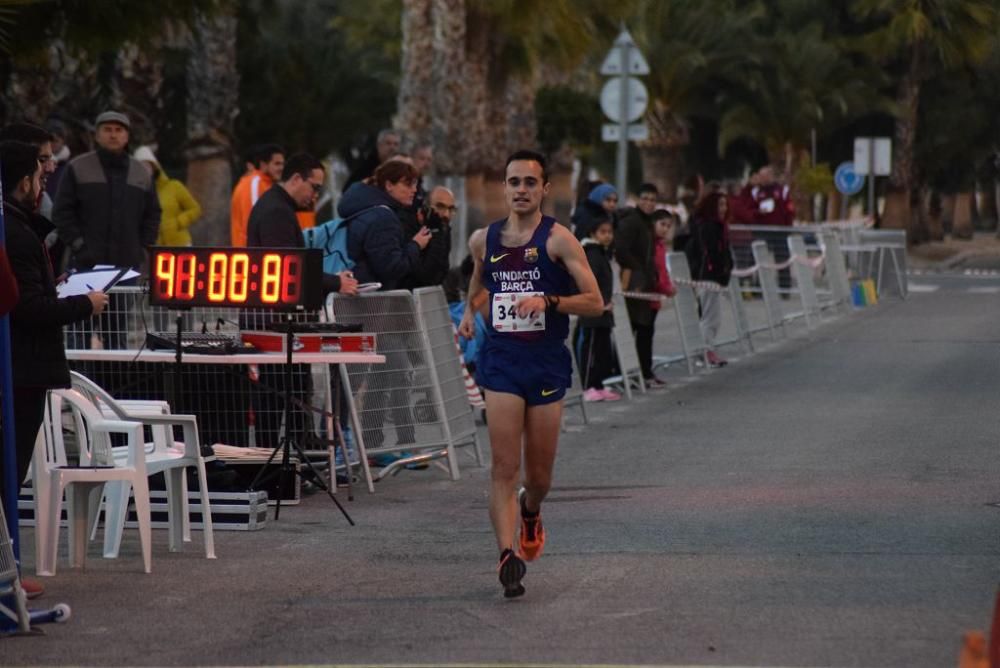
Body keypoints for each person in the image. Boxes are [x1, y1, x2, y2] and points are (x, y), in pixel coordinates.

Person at [459, 150, 603, 598]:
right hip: (501, 362)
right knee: (504, 465)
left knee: (538, 476)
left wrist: (549, 301)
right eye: (513, 181)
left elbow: (595, 302)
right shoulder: (483, 240)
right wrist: (469, 311)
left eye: (529, 182)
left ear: (544, 190)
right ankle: (507, 556)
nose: (520, 189)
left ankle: (531, 508)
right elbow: (482, 280)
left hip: (544, 362)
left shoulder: (559, 240)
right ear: (503, 187)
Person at [0, 139, 108, 533]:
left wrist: (52, 287)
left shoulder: (19, 228)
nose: (47, 176)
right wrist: (84, 305)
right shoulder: (17, 234)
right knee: (9, 470)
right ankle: (6, 563)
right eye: (40, 166)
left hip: (23, 368)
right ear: (23, 180)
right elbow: (25, 307)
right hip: (22, 370)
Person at [337, 159, 431, 456]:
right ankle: (402, 445)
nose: (413, 190)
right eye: (407, 183)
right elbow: (391, 266)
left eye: (415, 184)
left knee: (371, 376)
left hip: (362, 308)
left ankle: (372, 444)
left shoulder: (361, 208)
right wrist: (415, 246)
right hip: (374, 309)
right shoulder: (382, 217)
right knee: (390, 373)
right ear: (388, 185)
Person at [52, 111, 160, 271]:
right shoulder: (77, 167)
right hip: (86, 263)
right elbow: (62, 212)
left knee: (125, 297)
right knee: (84, 298)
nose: (113, 135)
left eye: (118, 130)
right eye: (107, 129)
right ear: (97, 135)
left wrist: (143, 247)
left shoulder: (141, 172)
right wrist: (78, 245)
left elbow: (152, 213)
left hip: (128, 265)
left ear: (127, 136)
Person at [616, 183, 666, 387]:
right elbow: (621, 249)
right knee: (636, 329)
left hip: (646, 284)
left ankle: (643, 372)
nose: (648, 202)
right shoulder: (632, 221)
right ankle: (629, 374)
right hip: (635, 284)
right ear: (638, 199)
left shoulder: (647, 222)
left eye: (652, 199)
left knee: (645, 329)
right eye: (645, 198)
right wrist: (637, 268)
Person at [685, 191, 733, 368]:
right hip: (708, 277)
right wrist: (719, 271)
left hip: (714, 277)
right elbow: (712, 252)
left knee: (713, 317)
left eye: (725, 205)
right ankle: (704, 350)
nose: (724, 209)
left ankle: (707, 348)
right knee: (709, 317)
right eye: (720, 205)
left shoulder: (719, 226)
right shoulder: (709, 227)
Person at [574, 219, 620, 402]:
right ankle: (588, 387)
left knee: (602, 350)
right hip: (591, 313)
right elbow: (587, 283)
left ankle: (599, 385)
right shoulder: (592, 254)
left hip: (603, 312)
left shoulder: (602, 253)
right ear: (593, 233)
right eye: (603, 231)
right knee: (590, 349)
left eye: (609, 232)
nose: (607, 235)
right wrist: (597, 303)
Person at [133, 146, 202, 247]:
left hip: (180, 245)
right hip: (152, 249)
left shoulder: (173, 186)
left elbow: (195, 209)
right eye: (140, 167)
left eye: (147, 166)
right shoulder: (134, 193)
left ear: (154, 167)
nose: (144, 170)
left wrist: (178, 222)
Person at [399, 185, 454, 290]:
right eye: (440, 207)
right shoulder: (406, 228)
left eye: (451, 209)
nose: (446, 214)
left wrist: (438, 233)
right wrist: (436, 233)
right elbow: (426, 276)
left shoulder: (443, 229)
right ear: (424, 208)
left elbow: (441, 272)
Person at [230, 143, 284, 246]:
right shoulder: (254, 184)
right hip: (251, 254)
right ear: (263, 165)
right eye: (277, 164)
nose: (281, 168)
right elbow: (253, 222)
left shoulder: (266, 184)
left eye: (282, 164)